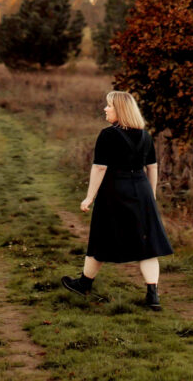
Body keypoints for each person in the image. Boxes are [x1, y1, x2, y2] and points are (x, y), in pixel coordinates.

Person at [61, 91, 173, 310]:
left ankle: (84, 284)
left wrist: (89, 197)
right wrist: (150, 196)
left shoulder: (107, 135)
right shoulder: (145, 136)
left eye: (109, 106)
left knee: (101, 237)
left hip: (114, 190)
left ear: (120, 110)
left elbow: (100, 167)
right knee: (147, 243)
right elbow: (152, 168)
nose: (105, 109)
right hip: (141, 190)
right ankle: (153, 295)